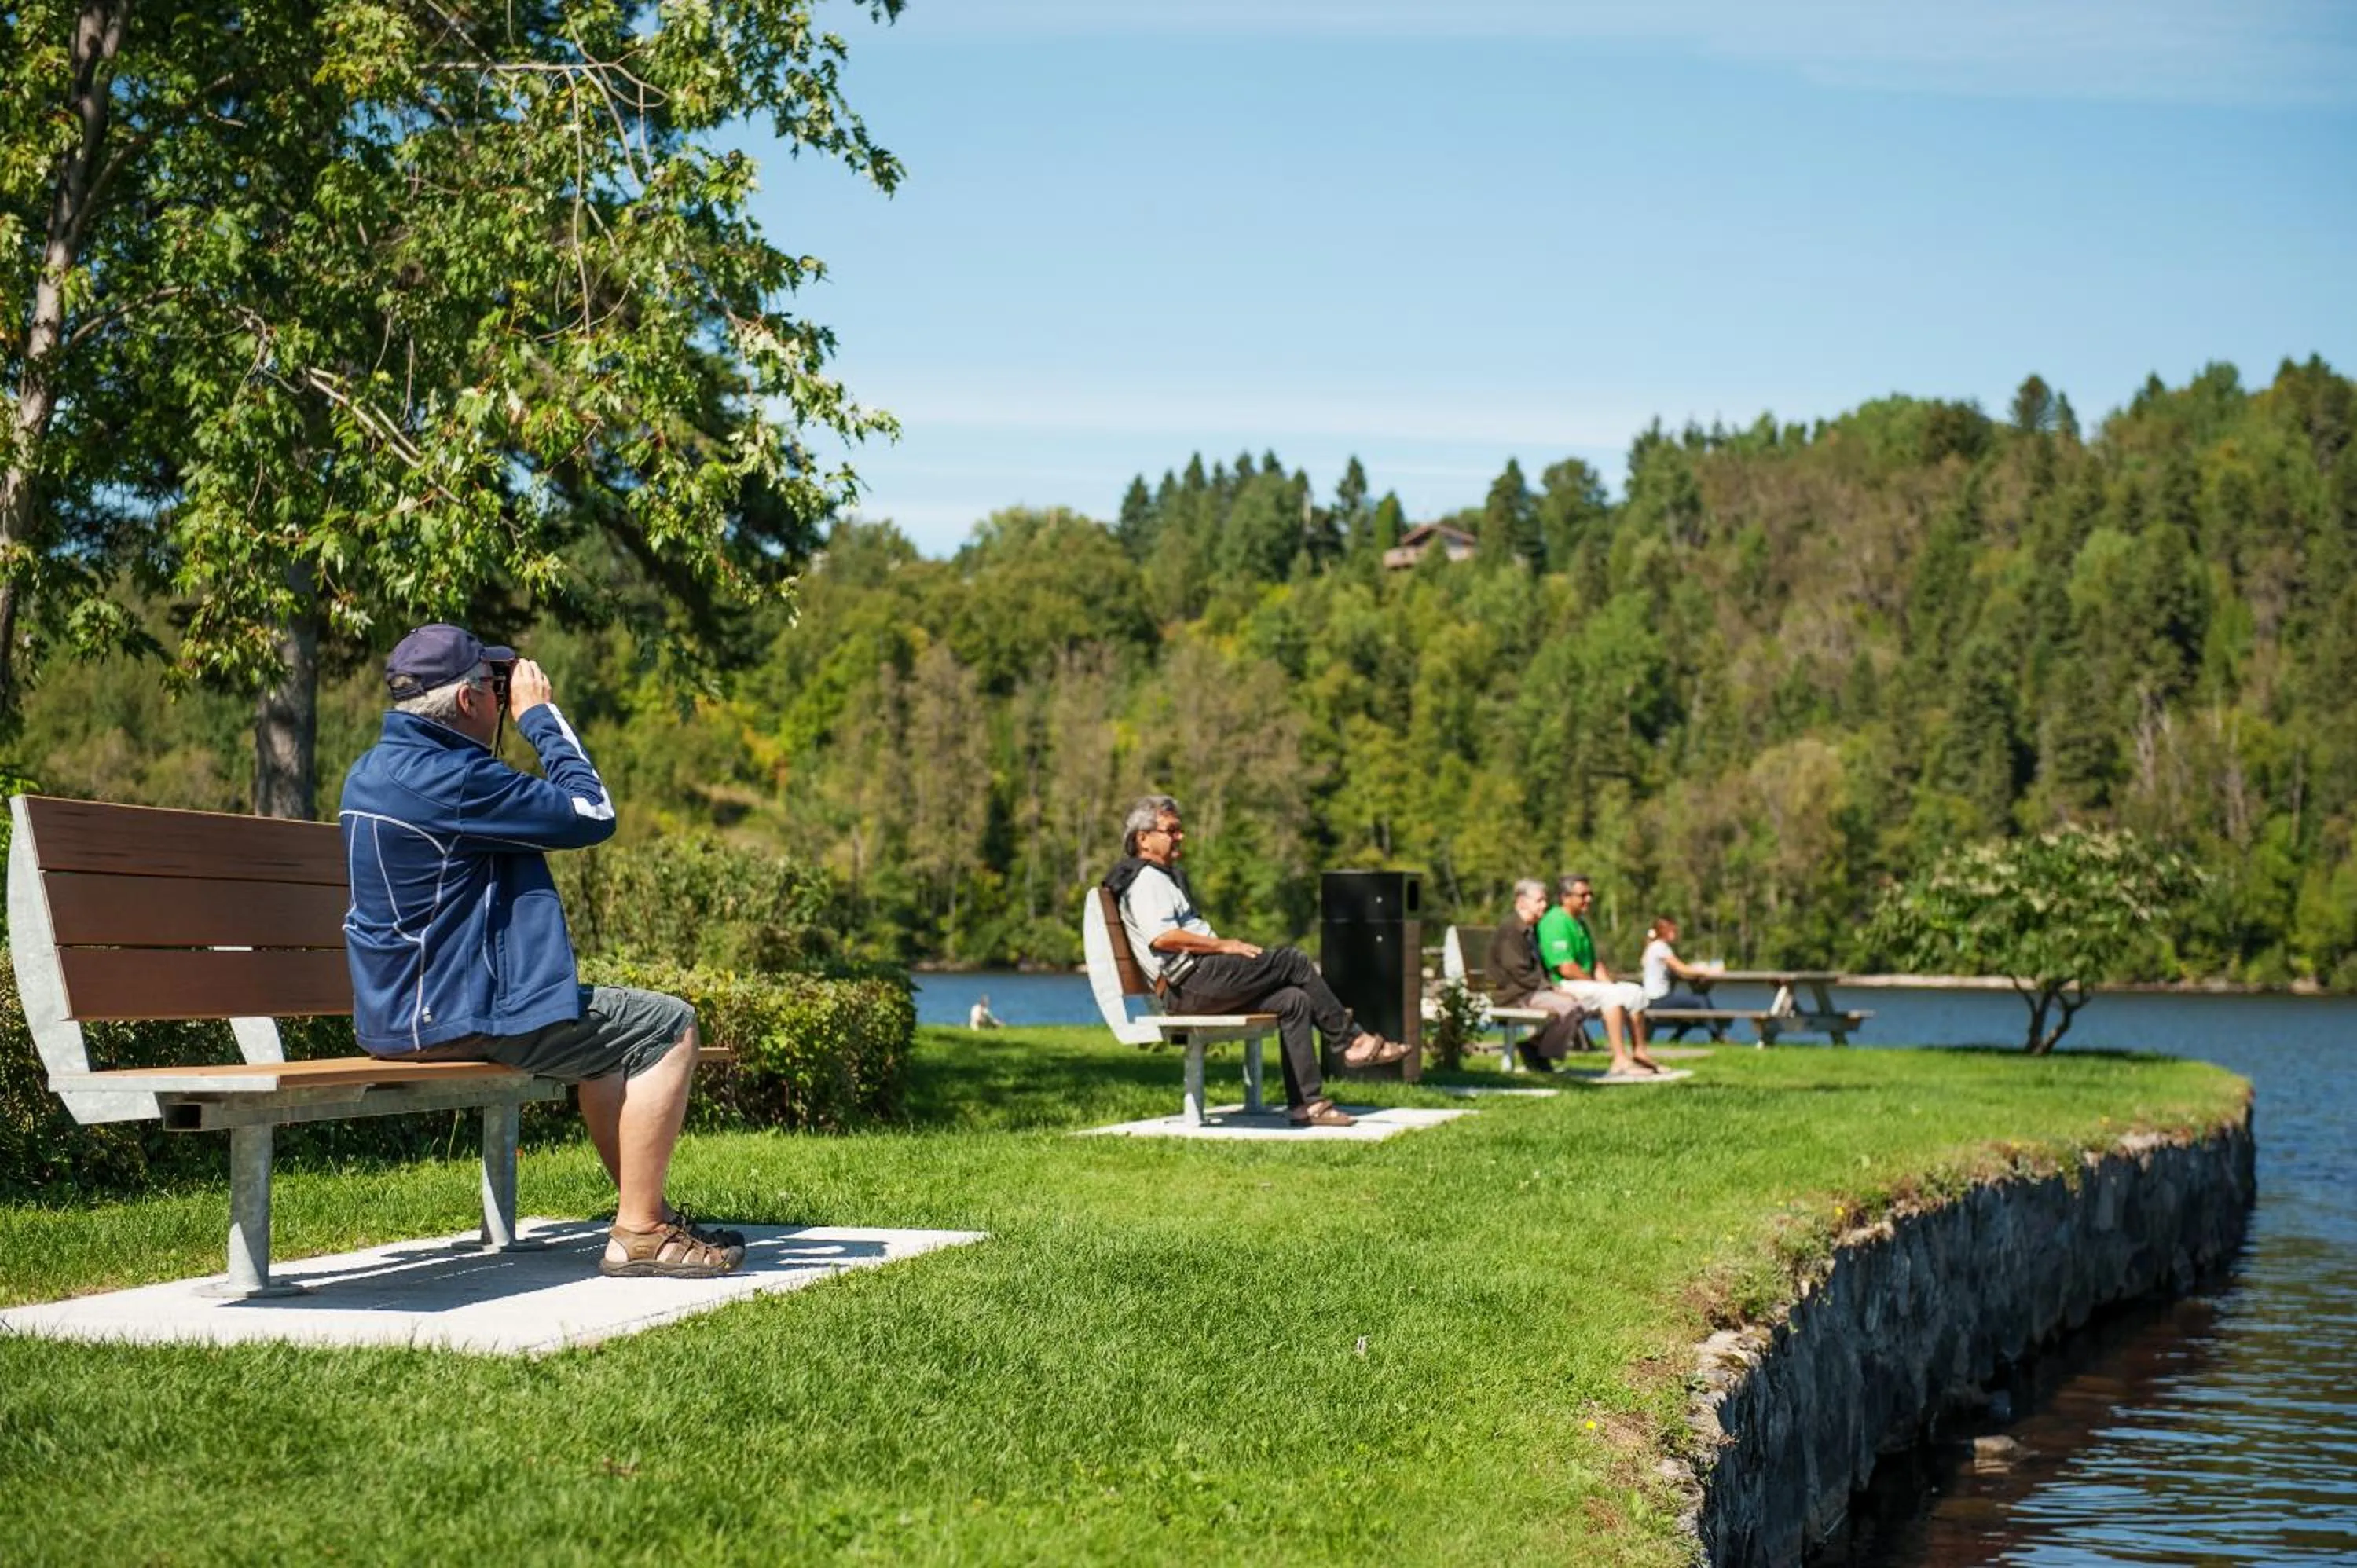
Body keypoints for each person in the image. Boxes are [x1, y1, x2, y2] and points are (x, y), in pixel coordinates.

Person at [339, 624, 742, 1280]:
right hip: (454, 1020)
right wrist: (543, 719)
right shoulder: (457, 780)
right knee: (669, 1027)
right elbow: (592, 812)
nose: (506, 699)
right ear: (469, 702)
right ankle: (640, 1233)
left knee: (605, 1052)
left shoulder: (376, 770)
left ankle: (648, 1214)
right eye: (497, 688)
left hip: (401, 1015)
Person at [1105, 794, 1409, 1127]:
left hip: (1197, 982)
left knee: (1295, 1001)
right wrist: (1224, 945)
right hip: (1189, 984)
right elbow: (1161, 937)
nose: (1181, 836)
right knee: (1293, 960)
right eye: (1172, 829)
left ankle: (1307, 1105)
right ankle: (1352, 1040)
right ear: (1143, 838)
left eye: (1181, 829)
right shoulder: (1147, 880)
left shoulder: (1160, 877)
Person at [1535, 874, 1663, 1076]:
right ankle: (1620, 1059)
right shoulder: (1555, 922)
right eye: (1583, 895)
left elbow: (1595, 964)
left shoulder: (1580, 923)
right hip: (1563, 985)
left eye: (1590, 894)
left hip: (1583, 983)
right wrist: (1604, 988)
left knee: (1635, 992)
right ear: (1565, 897)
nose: (1589, 899)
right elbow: (1566, 968)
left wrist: (1609, 983)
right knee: (1611, 996)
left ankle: (1639, 1052)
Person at [1483, 879, 1586, 1072]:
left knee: (1578, 1007)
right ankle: (1538, 1054)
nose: (1544, 905)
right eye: (1539, 901)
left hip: (1527, 990)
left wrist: (1551, 988)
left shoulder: (1529, 929)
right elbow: (1519, 971)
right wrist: (1551, 989)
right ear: (1522, 902)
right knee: (1570, 1008)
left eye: (1545, 900)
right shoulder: (1512, 930)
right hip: (1514, 995)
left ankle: (1534, 1048)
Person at [1641, 917, 1723, 1012]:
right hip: (1659, 1000)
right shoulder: (1660, 947)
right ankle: (1716, 1026)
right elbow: (1681, 968)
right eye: (1674, 931)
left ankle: (1714, 1023)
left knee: (1695, 1006)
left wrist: (1694, 970)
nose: (1676, 934)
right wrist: (1708, 971)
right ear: (1665, 931)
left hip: (1653, 1000)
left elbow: (1678, 969)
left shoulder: (1653, 947)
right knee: (1701, 1000)